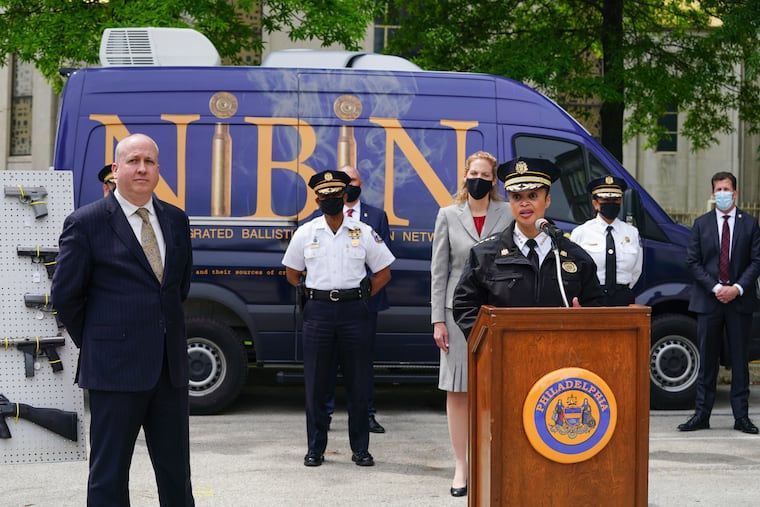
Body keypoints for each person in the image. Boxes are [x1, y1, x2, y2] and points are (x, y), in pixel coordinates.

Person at [51, 133, 195, 506]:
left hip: (169, 371)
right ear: (116, 170)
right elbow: (66, 297)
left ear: (159, 170)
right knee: (109, 476)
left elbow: (177, 289)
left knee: (176, 474)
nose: (142, 168)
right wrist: (104, 341)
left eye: (149, 161)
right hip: (114, 371)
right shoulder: (87, 223)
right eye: (133, 161)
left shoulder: (177, 221)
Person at [282, 170, 395, 467]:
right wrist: (309, 291)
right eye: (325, 197)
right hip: (318, 312)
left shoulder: (363, 231)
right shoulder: (306, 232)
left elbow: (384, 272)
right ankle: (315, 449)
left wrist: (365, 293)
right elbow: (292, 273)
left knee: (358, 383)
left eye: (336, 195)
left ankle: (361, 449)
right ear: (318, 200)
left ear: (344, 197)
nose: (331, 201)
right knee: (317, 384)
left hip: (354, 311)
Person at [430, 150, 511, 498]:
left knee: (498, 389)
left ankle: (493, 459)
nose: (478, 178)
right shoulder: (448, 215)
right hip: (456, 312)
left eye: (485, 174)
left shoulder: (508, 212)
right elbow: (439, 271)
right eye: (473, 172)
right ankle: (461, 465)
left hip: (497, 310)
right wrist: (437, 320)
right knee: (458, 390)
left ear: (494, 180)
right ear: (465, 176)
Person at [453, 156, 604, 340]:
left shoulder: (574, 256)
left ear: (547, 200)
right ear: (510, 202)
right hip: (504, 358)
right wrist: (488, 340)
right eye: (517, 197)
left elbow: (596, 306)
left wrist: (584, 320)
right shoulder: (485, 254)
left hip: (562, 357)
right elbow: (464, 306)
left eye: (533, 196)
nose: (524, 203)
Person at [678, 171, 760, 434]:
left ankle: (741, 417)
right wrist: (715, 288)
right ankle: (701, 415)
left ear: (735, 193)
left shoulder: (750, 224)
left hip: (739, 301)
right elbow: (693, 261)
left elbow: (756, 261)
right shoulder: (700, 224)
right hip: (708, 300)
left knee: (739, 360)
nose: (722, 194)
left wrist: (736, 288)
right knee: (707, 361)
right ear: (713, 194)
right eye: (718, 190)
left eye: (727, 189)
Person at [323, 164, 391, 434]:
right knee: (328, 363)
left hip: (364, 304)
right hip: (330, 303)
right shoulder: (323, 217)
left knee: (362, 365)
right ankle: (325, 415)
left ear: (360, 184)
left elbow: (383, 261)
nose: (348, 185)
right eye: (343, 181)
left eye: (351, 180)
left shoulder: (376, 215)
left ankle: (367, 415)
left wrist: (366, 294)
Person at [570, 175, 642, 306]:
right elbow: (574, 271)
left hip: (623, 298)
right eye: (606, 199)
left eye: (615, 199)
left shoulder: (631, 232)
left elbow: (636, 270)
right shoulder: (581, 232)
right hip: (591, 298)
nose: (611, 203)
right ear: (595, 203)